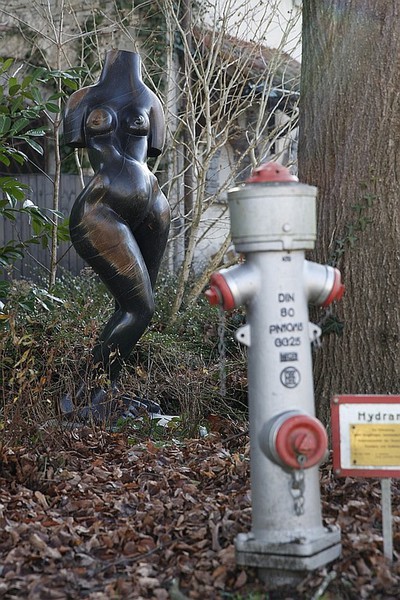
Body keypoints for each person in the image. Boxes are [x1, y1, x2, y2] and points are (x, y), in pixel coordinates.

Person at [61, 49, 170, 419]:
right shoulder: (82, 99)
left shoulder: (152, 101)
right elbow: (74, 141)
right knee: (139, 308)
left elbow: (152, 149)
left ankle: (104, 391)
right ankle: (83, 395)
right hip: (102, 208)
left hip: (154, 206)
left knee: (137, 308)